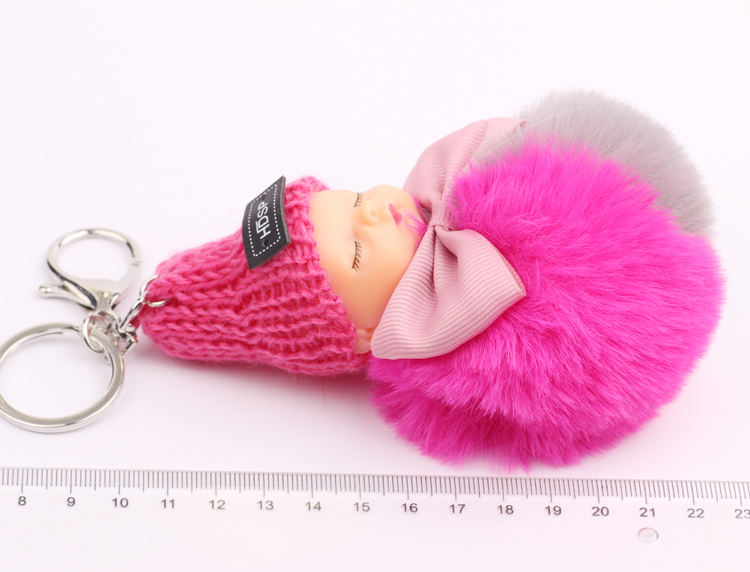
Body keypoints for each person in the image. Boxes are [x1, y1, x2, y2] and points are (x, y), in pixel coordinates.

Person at [140, 92, 723, 465]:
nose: (374, 212)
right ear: (365, 335)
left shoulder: (471, 203)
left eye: (357, 200)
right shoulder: (481, 306)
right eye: (358, 249)